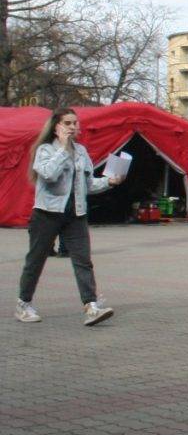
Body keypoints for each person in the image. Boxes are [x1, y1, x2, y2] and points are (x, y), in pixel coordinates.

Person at [15, 108, 122, 326]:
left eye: (75, 123)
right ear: (56, 127)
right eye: (67, 123)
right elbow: (48, 174)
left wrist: (108, 182)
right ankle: (23, 304)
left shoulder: (81, 151)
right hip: (47, 213)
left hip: (76, 215)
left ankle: (91, 306)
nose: (73, 127)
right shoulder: (45, 150)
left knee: (83, 261)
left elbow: (88, 184)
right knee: (36, 260)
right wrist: (63, 149)